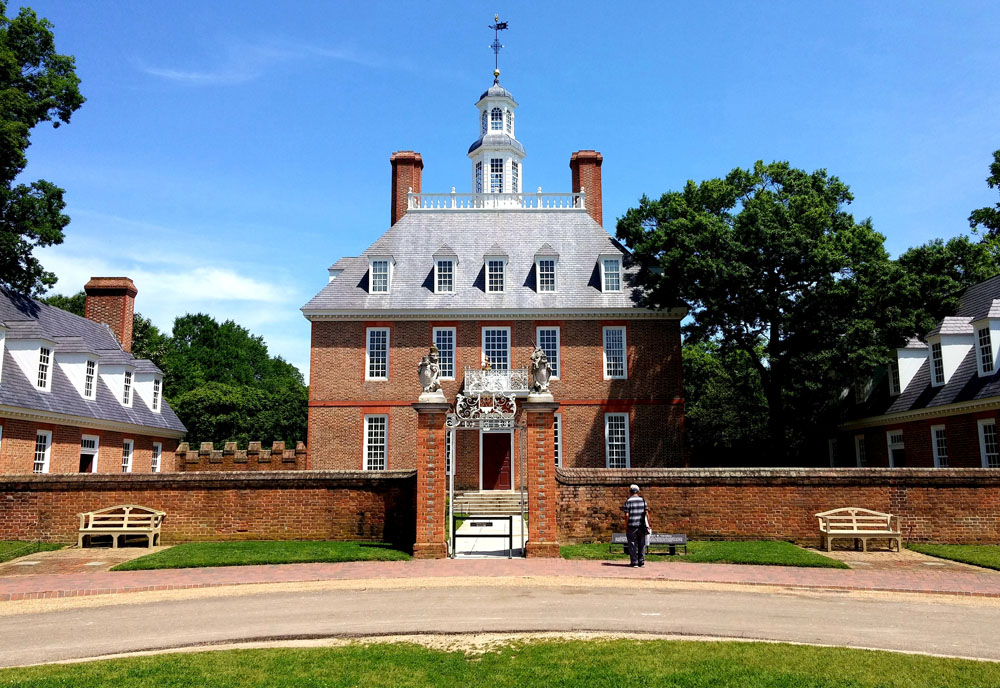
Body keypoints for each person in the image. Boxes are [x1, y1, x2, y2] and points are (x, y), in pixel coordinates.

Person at [622, 484, 650, 567]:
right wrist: (647, 524)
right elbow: (647, 514)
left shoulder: (628, 501)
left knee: (632, 544)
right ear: (638, 491)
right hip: (642, 526)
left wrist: (626, 526)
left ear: (630, 491)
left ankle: (634, 562)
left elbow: (626, 515)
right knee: (642, 544)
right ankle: (641, 561)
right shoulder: (643, 501)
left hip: (632, 525)